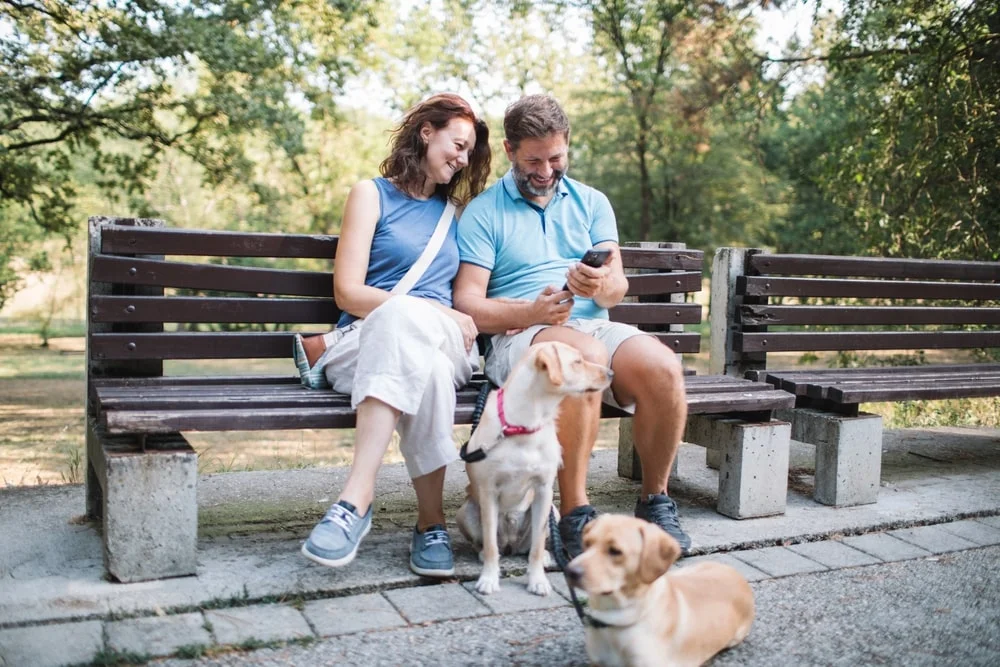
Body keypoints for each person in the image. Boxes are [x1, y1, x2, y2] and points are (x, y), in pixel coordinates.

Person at [453, 94, 691, 560]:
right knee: (584, 359)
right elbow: (468, 304)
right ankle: (575, 511)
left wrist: (600, 283)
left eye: (556, 158)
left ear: (567, 148)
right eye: (533, 161)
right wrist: (530, 313)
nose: (545, 171)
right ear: (508, 150)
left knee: (663, 367)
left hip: (591, 327)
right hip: (519, 336)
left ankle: (655, 500)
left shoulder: (592, 202)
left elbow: (616, 289)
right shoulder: (483, 212)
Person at [297, 93, 491, 577]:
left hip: (446, 346)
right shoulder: (371, 194)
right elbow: (347, 293)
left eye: (469, 152)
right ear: (427, 131)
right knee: (409, 344)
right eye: (458, 144)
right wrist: (424, 308)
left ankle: (354, 503)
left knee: (410, 332)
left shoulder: (458, 216)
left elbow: (467, 295)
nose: (463, 159)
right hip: (365, 345)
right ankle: (430, 524)